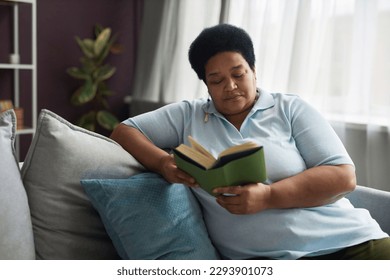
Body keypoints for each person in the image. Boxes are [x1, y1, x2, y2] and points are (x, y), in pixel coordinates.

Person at [110, 24, 390, 259]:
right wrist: (163, 163)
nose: (230, 86)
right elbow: (124, 131)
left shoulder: (290, 108)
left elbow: (343, 177)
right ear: (205, 84)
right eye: (216, 80)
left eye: (238, 74)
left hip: (350, 244)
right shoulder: (189, 115)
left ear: (254, 70)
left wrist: (269, 197)